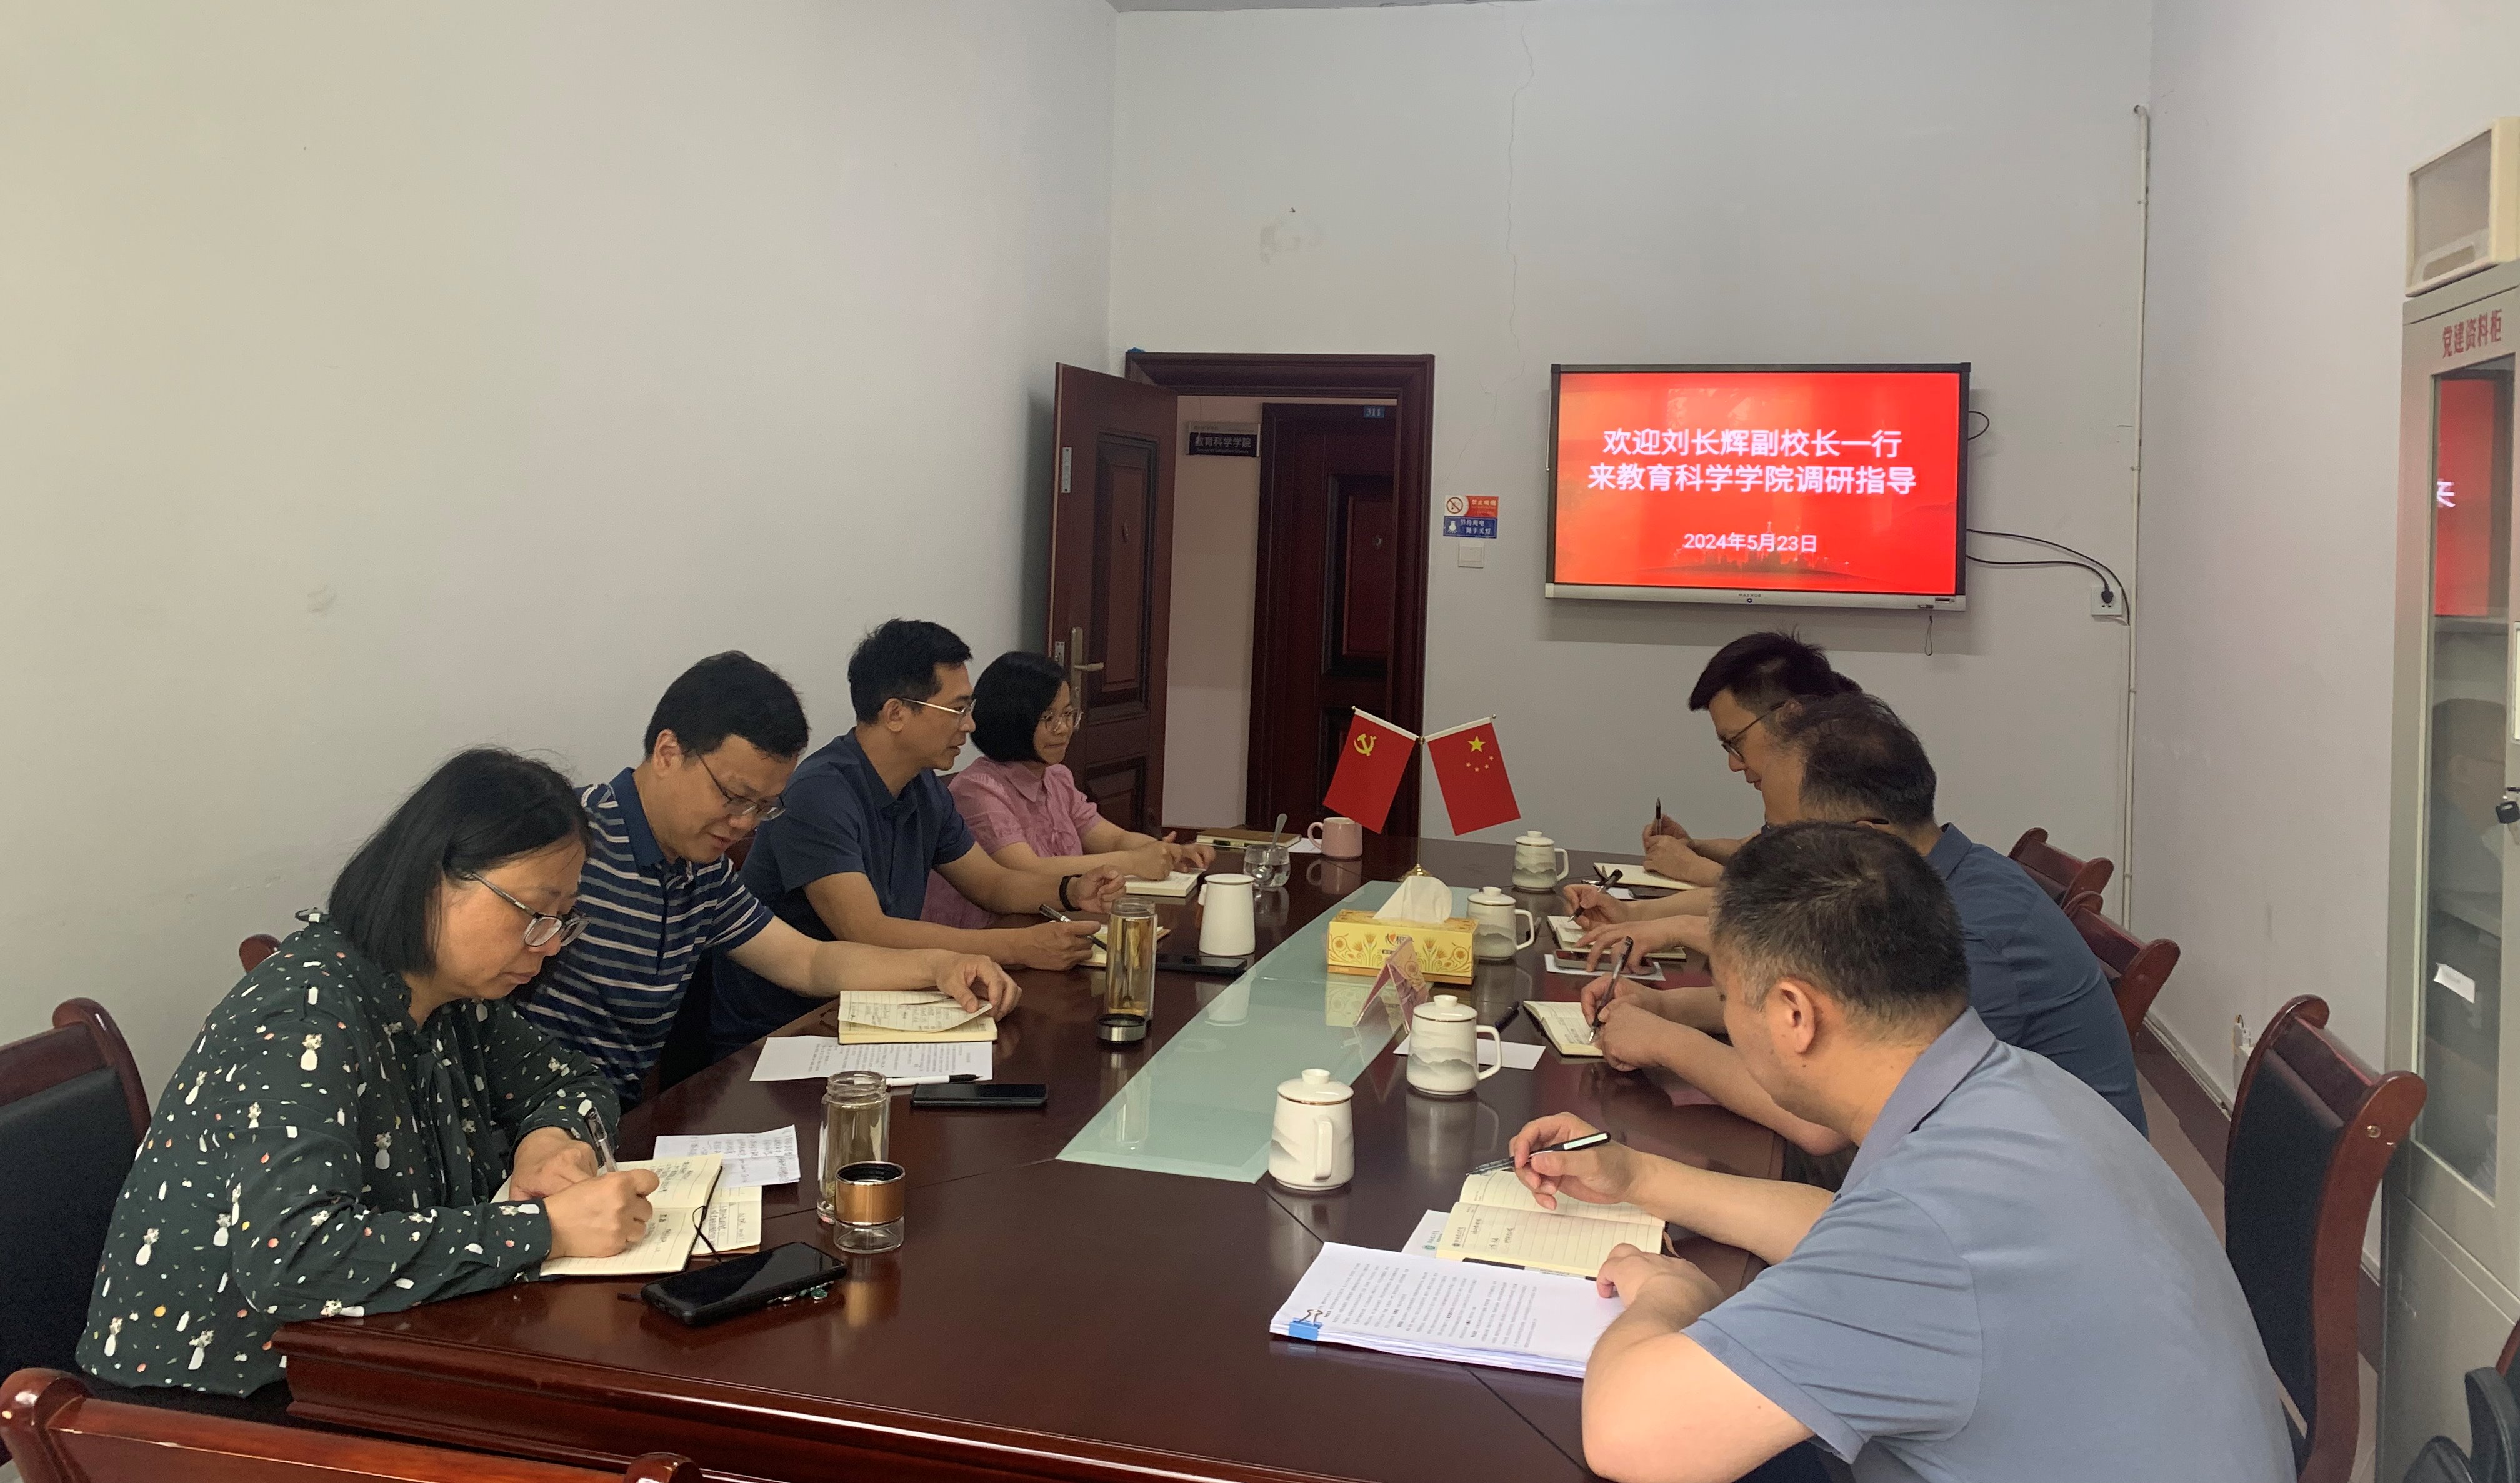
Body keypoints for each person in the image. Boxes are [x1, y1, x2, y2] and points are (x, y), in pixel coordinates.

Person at [1508, 822, 2291, 1483]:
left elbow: (1628, 1434)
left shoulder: (1931, 1227)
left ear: (1794, 1016)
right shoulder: (2019, 1090)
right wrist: (1638, 1175)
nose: (1727, 1020)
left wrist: (1672, 1294)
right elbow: (1845, 1231)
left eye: (1729, 1000)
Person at [78, 750, 661, 1405]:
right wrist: (544, 1229)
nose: (550, 943)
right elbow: (294, 1256)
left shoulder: (453, 999)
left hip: (366, 1352)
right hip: (211, 1405)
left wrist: (549, 1141)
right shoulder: (305, 1017)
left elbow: (573, 1082)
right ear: (431, 880)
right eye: (533, 911)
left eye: (563, 918)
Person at [1574, 693, 2146, 1148]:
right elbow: (1821, 1012)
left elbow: (1826, 1119)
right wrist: (1665, 1007)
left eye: (1789, 839)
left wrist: (1666, 1041)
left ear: (1868, 837)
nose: (1774, 857)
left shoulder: (1969, 936)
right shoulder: (1914, 889)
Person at [518, 651, 1016, 1105]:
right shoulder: (568, 844)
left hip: (604, 1122)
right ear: (668, 752)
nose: (743, 824)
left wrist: (940, 965)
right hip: (533, 1123)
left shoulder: (704, 870)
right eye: (734, 797)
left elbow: (810, 960)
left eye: (763, 807)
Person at [711, 621, 1127, 1057]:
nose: (970, 725)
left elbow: (991, 883)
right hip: (786, 1031)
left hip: (882, 1006)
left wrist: (1070, 889)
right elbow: (866, 931)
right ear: (896, 714)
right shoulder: (818, 792)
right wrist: (1018, 947)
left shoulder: (923, 787)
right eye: (958, 709)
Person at [922, 651, 1213, 929]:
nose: (1063, 729)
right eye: (1048, 718)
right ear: (1011, 718)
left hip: (1053, 919)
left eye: (1068, 714)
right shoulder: (979, 790)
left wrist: (1166, 853)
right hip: (988, 932)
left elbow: (1112, 838)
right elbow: (1027, 870)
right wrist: (1134, 862)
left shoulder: (1056, 777)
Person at [1628, 631, 1861, 888]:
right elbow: (1755, 851)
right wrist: (1691, 848)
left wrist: (1693, 869)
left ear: (1791, 718)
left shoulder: (1856, 795)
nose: (1734, 765)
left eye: (1736, 742)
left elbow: (1798, 900)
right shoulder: (1795, 795)